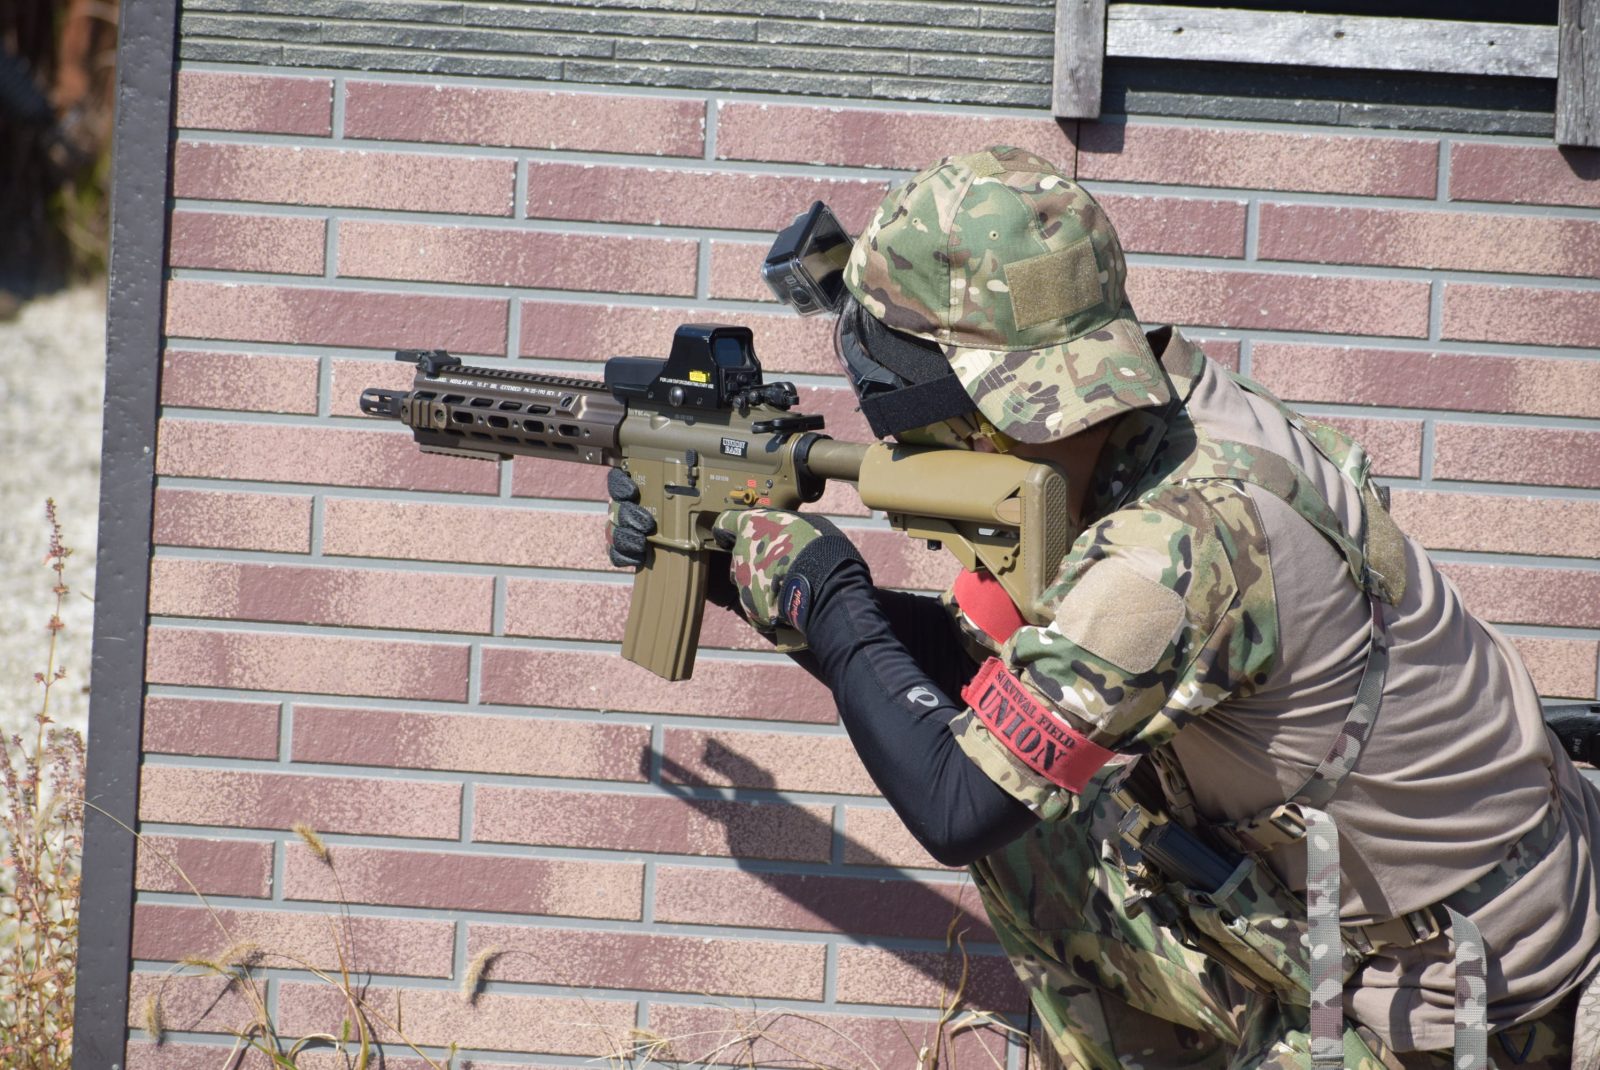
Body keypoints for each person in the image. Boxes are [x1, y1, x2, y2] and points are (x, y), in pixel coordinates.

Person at [610, 146, 1600, 1068]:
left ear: (970, 408)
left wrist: (824, 594)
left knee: (1039, 844)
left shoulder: (1169, 550)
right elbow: (996, 670)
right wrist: (749, 575)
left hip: (1463, 1009)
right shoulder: (1184, 415)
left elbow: (958, 801)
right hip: (1500, 898)